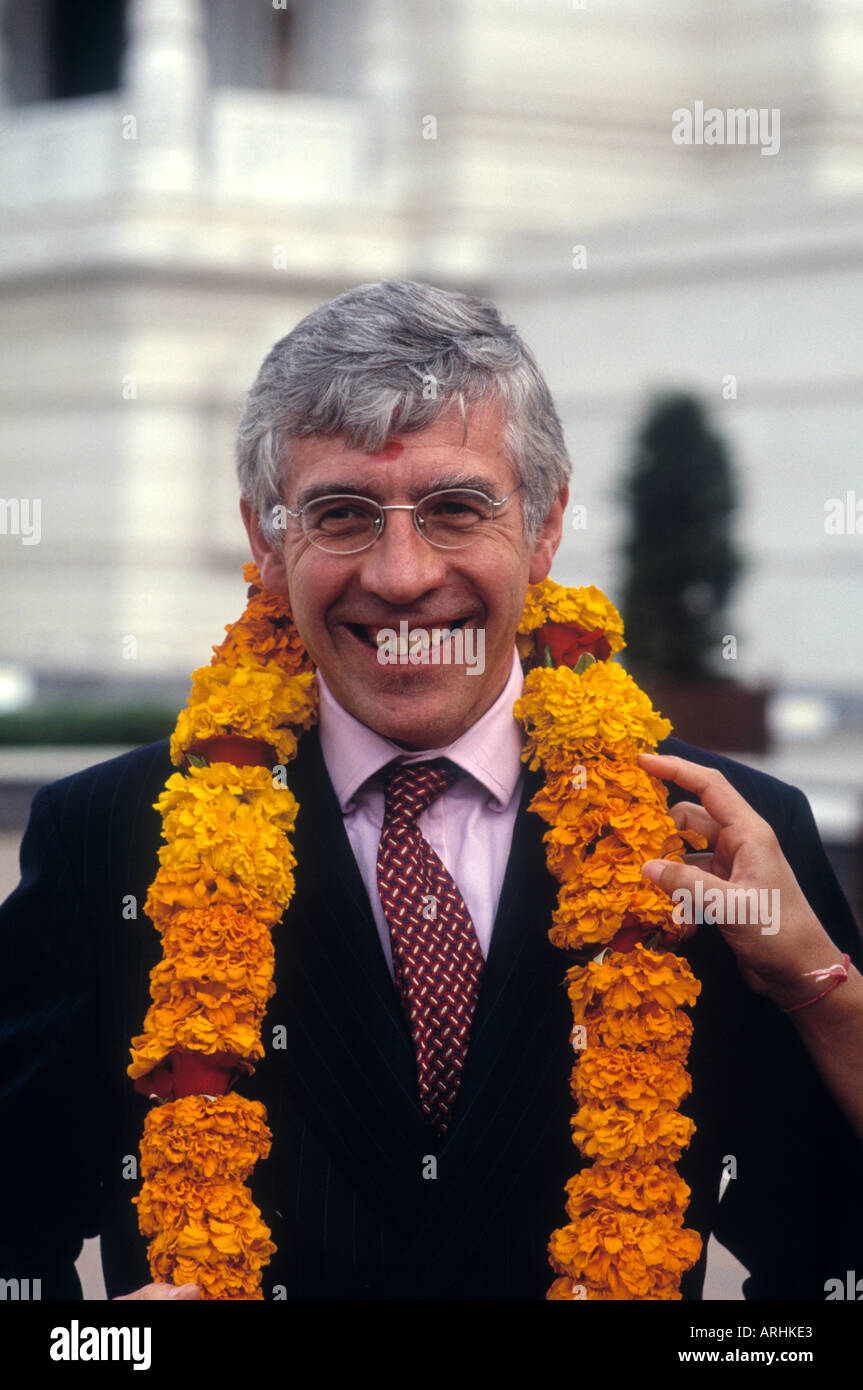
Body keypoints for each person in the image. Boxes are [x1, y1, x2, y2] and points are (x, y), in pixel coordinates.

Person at [1, 281, 861, 1303]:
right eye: (342, 514)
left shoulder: (720, 840)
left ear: (543, 528)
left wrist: (818, 984)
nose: (402, 576)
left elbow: (832, 1266)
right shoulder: (106, 838)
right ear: (267, 545)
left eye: (456, 508)